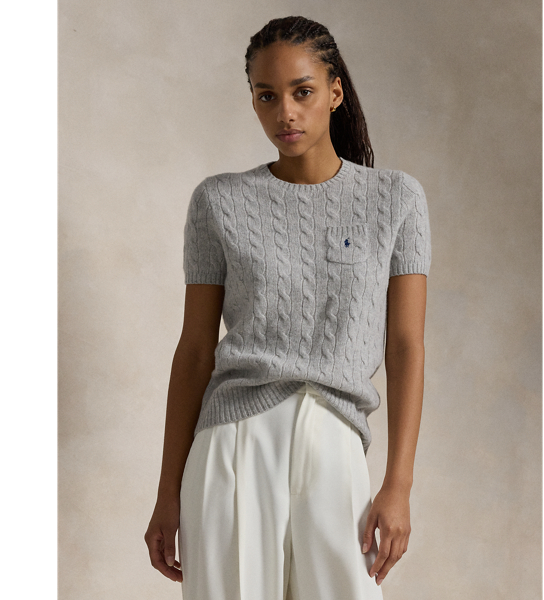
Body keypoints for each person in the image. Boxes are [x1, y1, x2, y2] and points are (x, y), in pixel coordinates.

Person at [144, 15, 432, 600]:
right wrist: (167, 492)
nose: (286, 113)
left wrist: (398, 484)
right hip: (232, 443)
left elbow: (405, 347)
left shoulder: (396, 199)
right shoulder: (219, 201)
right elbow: (195, 351)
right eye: (266, 96)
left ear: (335, 92)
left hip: (335, 441)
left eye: (302, 92)